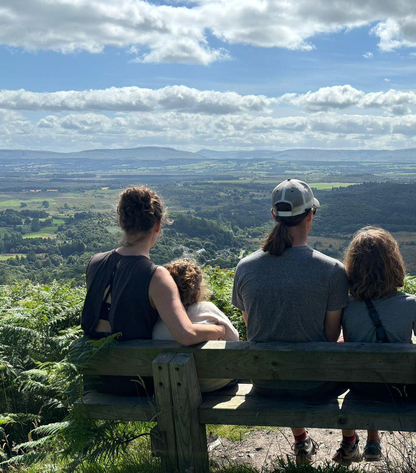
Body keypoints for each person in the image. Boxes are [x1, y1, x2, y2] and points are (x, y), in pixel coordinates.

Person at [231, 179, 349, 464]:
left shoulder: (245, 268)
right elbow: (331, 338)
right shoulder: (332, 270)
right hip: (314, 385)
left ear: (273, 216)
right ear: (310, 215)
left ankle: (301, 440)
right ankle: (350, 440)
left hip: (265, 383)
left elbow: (254, 329)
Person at [81, 186, 227, 395]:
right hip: (136, 381)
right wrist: (219, 330)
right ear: (158, 225)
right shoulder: (156, 276)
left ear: (122, 223)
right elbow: (186, 335)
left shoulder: (95, 262)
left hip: (95, 378)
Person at [336, 227, 416, 465]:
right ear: (394, 263)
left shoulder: (347, 307)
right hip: (397, 390)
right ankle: (374, 441)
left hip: (361, 387)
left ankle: (370, 440)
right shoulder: (412, 304)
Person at [152, 258, 240, 392]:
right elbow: (234, 338)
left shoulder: (159, 318)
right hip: (216, 383)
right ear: (198, 291)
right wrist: (219, 331)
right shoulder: (207, 308)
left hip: (175, 385)